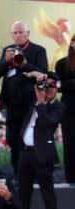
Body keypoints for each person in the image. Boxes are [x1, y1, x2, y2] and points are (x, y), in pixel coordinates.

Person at [0, 21, 48, 174]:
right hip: (11, 103)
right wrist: (6, 61)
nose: (18, 35)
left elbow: (44, 73)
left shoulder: (38, 50)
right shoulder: (7, 50)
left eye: (21, 32)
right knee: (12, 138)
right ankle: (16, 172)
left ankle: (28, 172)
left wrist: (25, 64)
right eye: (15, 33)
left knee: (25, 138)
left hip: (29, 103)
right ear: (12, 35)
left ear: (28, 33)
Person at [15, 73, 64, 209]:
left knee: (47, 195)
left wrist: (42, 102)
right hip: (26, 153)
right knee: (23, 194)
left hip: (42, 156)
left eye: (52, 86)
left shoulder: (58, 106)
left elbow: (47, 123)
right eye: (45, 85)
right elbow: (21, 86)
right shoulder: (33, 101)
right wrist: (34, 77)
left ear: (56, 88)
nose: (48, 89)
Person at [55, 34, 75, 183]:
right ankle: (71, 178)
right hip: (69, 111)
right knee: (70, 145)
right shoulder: (62, 64)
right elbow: (58, 85)